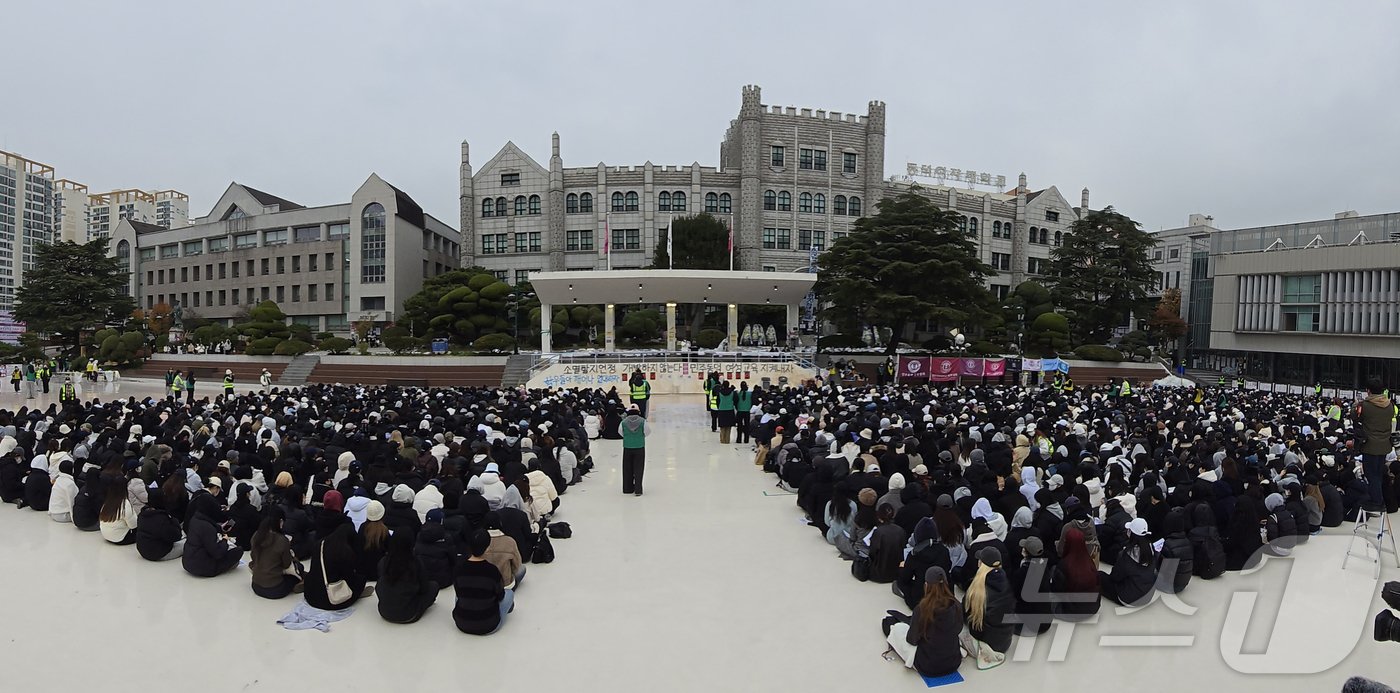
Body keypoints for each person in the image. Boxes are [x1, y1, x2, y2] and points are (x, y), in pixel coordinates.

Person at [882, 566, 964, 678]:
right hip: (953, 662)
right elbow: (958, 630)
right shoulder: (957, 605)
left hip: (927, 666)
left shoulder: (922, 609)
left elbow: (912, 640)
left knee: (897, 629)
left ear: (926, 585)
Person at [453, 529, 513, 635]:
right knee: (509, 594)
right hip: (489, 625)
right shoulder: (492, 571)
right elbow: (500, 596)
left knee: (460, 595)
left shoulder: (459, 568)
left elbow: (458, 592)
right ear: (488, 547)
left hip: (461, 623)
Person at [963, 546, 1013, 669]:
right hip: (1005, 641)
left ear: (981, 564)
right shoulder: (1006, 583)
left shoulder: (977, 590)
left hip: (986, 643)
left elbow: (967, 616)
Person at [376, 532, 439, 623]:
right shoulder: (415, 562)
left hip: (384, 612)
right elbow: (424, 588)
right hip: (409, 614)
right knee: (434, 586)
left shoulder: (384, 561)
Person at [305, 523, 370, 610]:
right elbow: (350, 578)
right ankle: (357, 594)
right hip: (331, 600)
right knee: (361, 580)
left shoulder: (320, 544)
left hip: (311, 594)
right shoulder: (345, 553)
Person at [1100, 518, 1159, 607]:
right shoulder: (1152, 550)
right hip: (1147, 596)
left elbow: (1115, 577)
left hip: (1129, 599)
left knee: (1099, 576)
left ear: (1131, 533)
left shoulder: (1127, 555)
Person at [1357, 378, 1393, 513]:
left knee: (1371, 474)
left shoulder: (1365, 405)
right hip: (1384, 444)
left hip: (1370, 445)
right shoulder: (1389, 405)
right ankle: (1380, 499)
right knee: (1378, 473)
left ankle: (1377, 502)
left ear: (1368, 391)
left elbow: (1356, 417)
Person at [250, 509, 303, 599]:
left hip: (256, 586)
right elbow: (287, 565)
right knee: (299, 568)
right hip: (275, 589)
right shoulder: (282, 540)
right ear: (281, 522)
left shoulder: (256, 536)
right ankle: (300, 583)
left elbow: (253, 557)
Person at [1051, 527, 1102, 621]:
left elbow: (1057, 590)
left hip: (1072, 611)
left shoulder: (1063, 565)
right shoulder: (1089, 562)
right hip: (1093, 608)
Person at [183, 502, 245, 577]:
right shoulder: (208, 527)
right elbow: (217, 553)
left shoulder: (194, 519)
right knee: (238, 551)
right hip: (204, 568)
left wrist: (221, 530)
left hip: (188, 562)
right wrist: (224, 540)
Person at [135, 489, 185, 561]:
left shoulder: (142, 514)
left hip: (142, 549)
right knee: (186, 543)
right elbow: (176, 536)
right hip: (158, 553)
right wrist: (172, 518)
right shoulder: (162, 519)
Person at [98, 480, 139, 545]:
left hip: (105, 534)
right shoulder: (125, 504)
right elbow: (134, 525)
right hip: (120, 538)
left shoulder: (106, 502)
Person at [621, 404, 649, 496]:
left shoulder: (624, 422)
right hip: (639, 446)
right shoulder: (643, 421)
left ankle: (627, 488)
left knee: (627, 468)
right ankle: (638, 490)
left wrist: (628, 437)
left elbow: (620, 432)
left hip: (627, 447)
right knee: (639, 468)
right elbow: (647, 432)